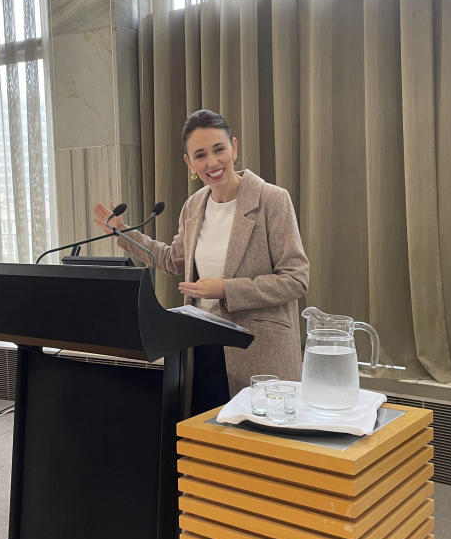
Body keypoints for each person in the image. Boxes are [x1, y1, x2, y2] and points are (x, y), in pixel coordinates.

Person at [93, 109, 309, 410]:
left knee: (257, 451)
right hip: (203, 351)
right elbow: (173, 260)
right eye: (200, 155)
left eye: (219, 149)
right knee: (206, 448)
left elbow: (295, 279)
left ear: (233, 147)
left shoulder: (272, 200)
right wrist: (125, 233)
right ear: (189, 163)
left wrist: (225, 289)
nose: (212, 162)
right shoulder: (194, 206)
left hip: (260, 353)